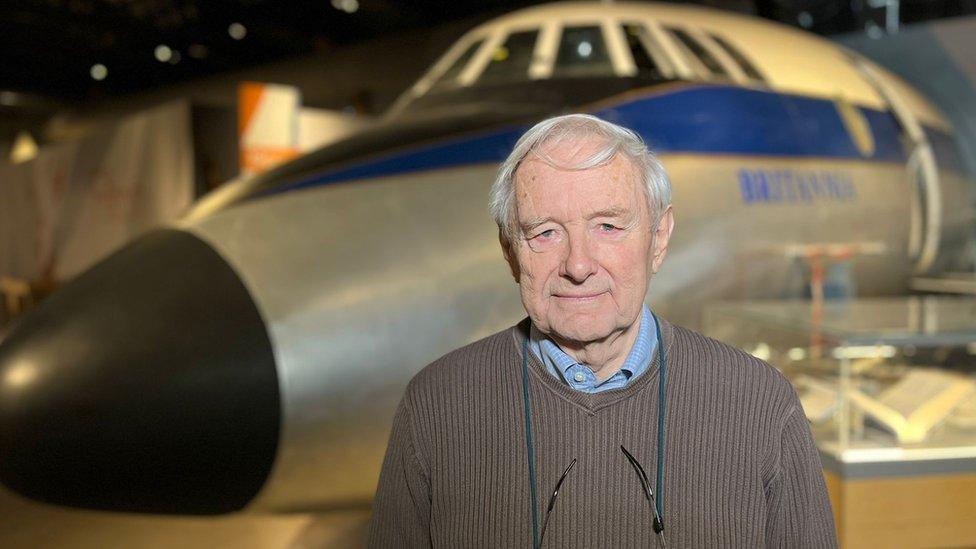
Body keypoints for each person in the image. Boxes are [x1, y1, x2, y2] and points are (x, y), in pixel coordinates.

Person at [367, 114, 837, 548]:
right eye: (545, 232)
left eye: (608, 226)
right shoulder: (435, 405)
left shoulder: (760, 404)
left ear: (659, 238)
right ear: (510, 251)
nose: (577, 265)